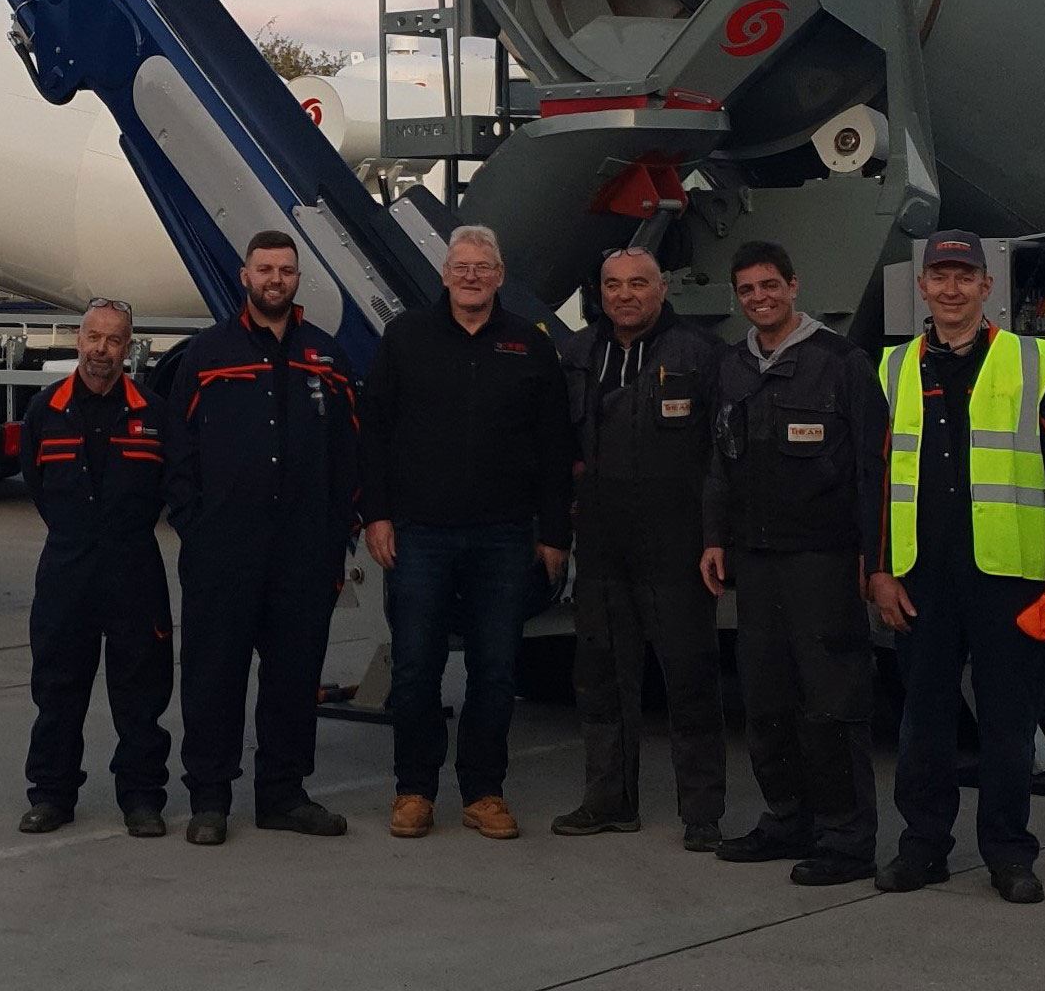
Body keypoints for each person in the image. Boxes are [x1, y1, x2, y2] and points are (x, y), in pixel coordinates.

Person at [867, 230, 1045, 906]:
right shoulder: (893, 368)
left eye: (965, 276)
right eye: (940, 275)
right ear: (922, 286)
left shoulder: (1033, 363)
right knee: (924, 724)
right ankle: (922, 849)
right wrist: (880, 573)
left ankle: (1008, 854)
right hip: (921, 579)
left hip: (1012, 577)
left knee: (1007, 725)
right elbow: (878, 481)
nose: (952, 288)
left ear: (986, 286)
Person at [359, 223, 575, 842]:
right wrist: (376, 515)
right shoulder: (405, 338)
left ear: (500, 276)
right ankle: (414, 791)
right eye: (461, 266)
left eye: (484, 266)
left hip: (505, 538)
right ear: (445, 274)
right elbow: (372, 432)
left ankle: (483, 791)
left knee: (497, 669)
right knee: (415, 668)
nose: (472, 276)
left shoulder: (528, 347)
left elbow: (555, 447)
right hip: (420, 535)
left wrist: (554, 533)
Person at [698, 240, 886, 888]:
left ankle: (847, 836)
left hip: (824, 561)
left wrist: (876, 558)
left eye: (769, 286)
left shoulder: (842, 364)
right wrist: (713, 538)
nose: (760, 298)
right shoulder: (730, 368)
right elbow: (719, 462)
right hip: (755, 563)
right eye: (747, 290)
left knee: (830, 699)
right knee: (766, 696)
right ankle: (787, 818)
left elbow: (874, 469)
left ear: (794, 286)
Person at [164, 230, 358, 845]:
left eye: (286, 270)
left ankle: (283, 794)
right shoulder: (206, 355)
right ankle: (210, 799)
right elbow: (177, 453)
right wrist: (196, 526)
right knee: (212, 676)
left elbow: (351, 454)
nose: (275, 279)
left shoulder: (325, 358)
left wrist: (334, 533)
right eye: (265, 269)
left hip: (303, 555)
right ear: (244, 276)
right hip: (223, 554)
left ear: (298, 279)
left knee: (293, 678)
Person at [551, 246, 727, 849]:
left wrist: (713, 535)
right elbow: (554, 451)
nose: (625, 295)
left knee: (689, 679)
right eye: (612, 285)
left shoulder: (702, 356)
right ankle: (608, 800)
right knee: (600, 680)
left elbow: (719, 460)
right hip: (601, 547)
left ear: (662, 289)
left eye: (638, 284)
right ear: (599, 292)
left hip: (676, 546)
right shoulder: (577, 355)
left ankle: (701, 813)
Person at [18, 298, 172, 837]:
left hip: (133, 563)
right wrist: (76, 533)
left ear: (128, 349)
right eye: (92, 337)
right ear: (77, 340)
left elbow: (168, 491)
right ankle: (52, 795)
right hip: (67, 563)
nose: (100, 351)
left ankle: (143, 799)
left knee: (141, 687)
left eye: (113, 341)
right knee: (58, 684)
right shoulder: (44, 411)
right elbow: (36, 486)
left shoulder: (154, 414)